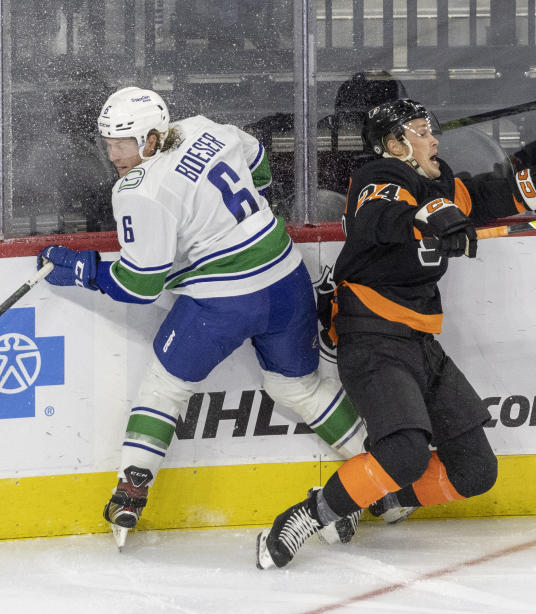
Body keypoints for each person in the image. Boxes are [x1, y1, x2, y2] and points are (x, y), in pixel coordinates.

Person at [255, 98, 536, 569]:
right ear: (396, 144)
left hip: (419, 341)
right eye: (420, 131)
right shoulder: (379, 176)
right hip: (371, 337)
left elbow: (487, 197)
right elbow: (379, 217)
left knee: (476, 472)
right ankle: (306, 516)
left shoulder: (439, 183)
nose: (434, 138)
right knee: (405, 453)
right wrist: (429, 216)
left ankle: (370, 497)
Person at [36, 86, 368, 547]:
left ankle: (131, 490)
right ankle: (381, 476)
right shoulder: (207, 129)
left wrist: (81, 269)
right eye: (107, 141)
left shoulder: (138, 190)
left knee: (165, 386)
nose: (112, 153)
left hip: (223, 302)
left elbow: (140, 284)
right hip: (287, 279)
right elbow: (258, 160)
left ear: (152, 138)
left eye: (122, 142)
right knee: (297, 386)